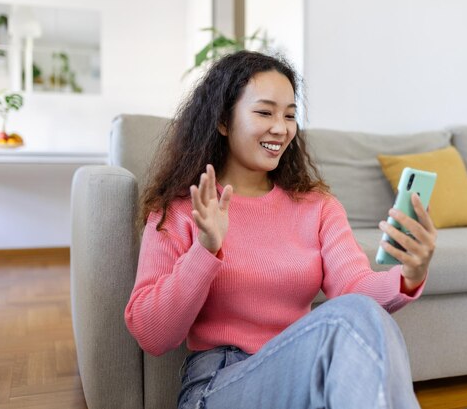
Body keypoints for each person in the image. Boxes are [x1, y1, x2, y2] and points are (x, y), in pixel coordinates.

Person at [124, 50, 437, 409]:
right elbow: (152, 334)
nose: (281, 127)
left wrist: (410, 275)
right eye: (264, 112)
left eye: (289, 115)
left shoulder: (317, 206)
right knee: (345, 323)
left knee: (363, 316)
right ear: (223, 120)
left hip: (298, 375)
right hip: (218, 385)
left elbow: (354, 289)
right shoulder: (181, 208)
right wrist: (204, 250)